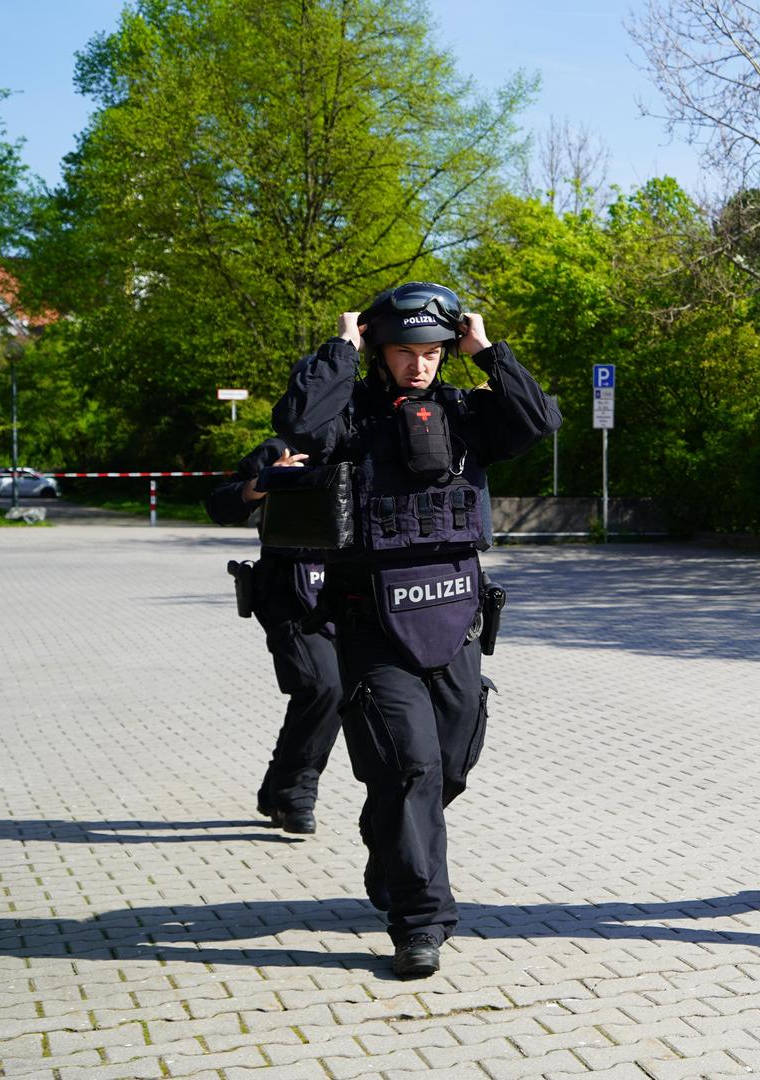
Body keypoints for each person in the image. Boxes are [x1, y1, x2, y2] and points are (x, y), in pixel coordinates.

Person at [271, 282, 560, 978]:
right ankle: (420, 922)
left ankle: (391, 847)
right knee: (410, 769)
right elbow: (301, 425)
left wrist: (488, 352)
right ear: (380, 351)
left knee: (447, 769)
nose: (419, 365)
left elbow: (542, 421)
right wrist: (341, 348)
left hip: (456, 621)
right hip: (372, 625)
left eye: (431, 352)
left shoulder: (467, 414)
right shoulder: (353, 419)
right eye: (404, 351)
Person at [204, 438, 343, 835]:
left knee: (328, 693)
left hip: (351, 585)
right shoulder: (282, 448)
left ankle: (277, 787)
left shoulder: (369, 436)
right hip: (286, 591)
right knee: (322, 686)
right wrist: (264, 482)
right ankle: (296, 792)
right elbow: (219, 504)